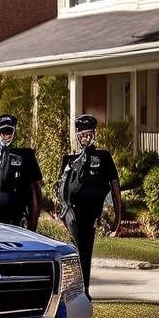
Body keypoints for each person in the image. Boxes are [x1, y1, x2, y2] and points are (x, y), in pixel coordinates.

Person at [58, 114, 122, 294]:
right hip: (71, 213)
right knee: (75, 251)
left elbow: (115, 188)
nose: (85, 138)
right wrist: (62, 212)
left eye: (88, 134)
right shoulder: (69, 160)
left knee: (84, 251)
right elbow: (61, 188)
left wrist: (117, 217)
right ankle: (77, 288)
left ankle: (83, 288)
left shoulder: (103, 157)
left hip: (92, 212)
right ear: (77, 136)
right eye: (81, 135)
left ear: (93, 134)